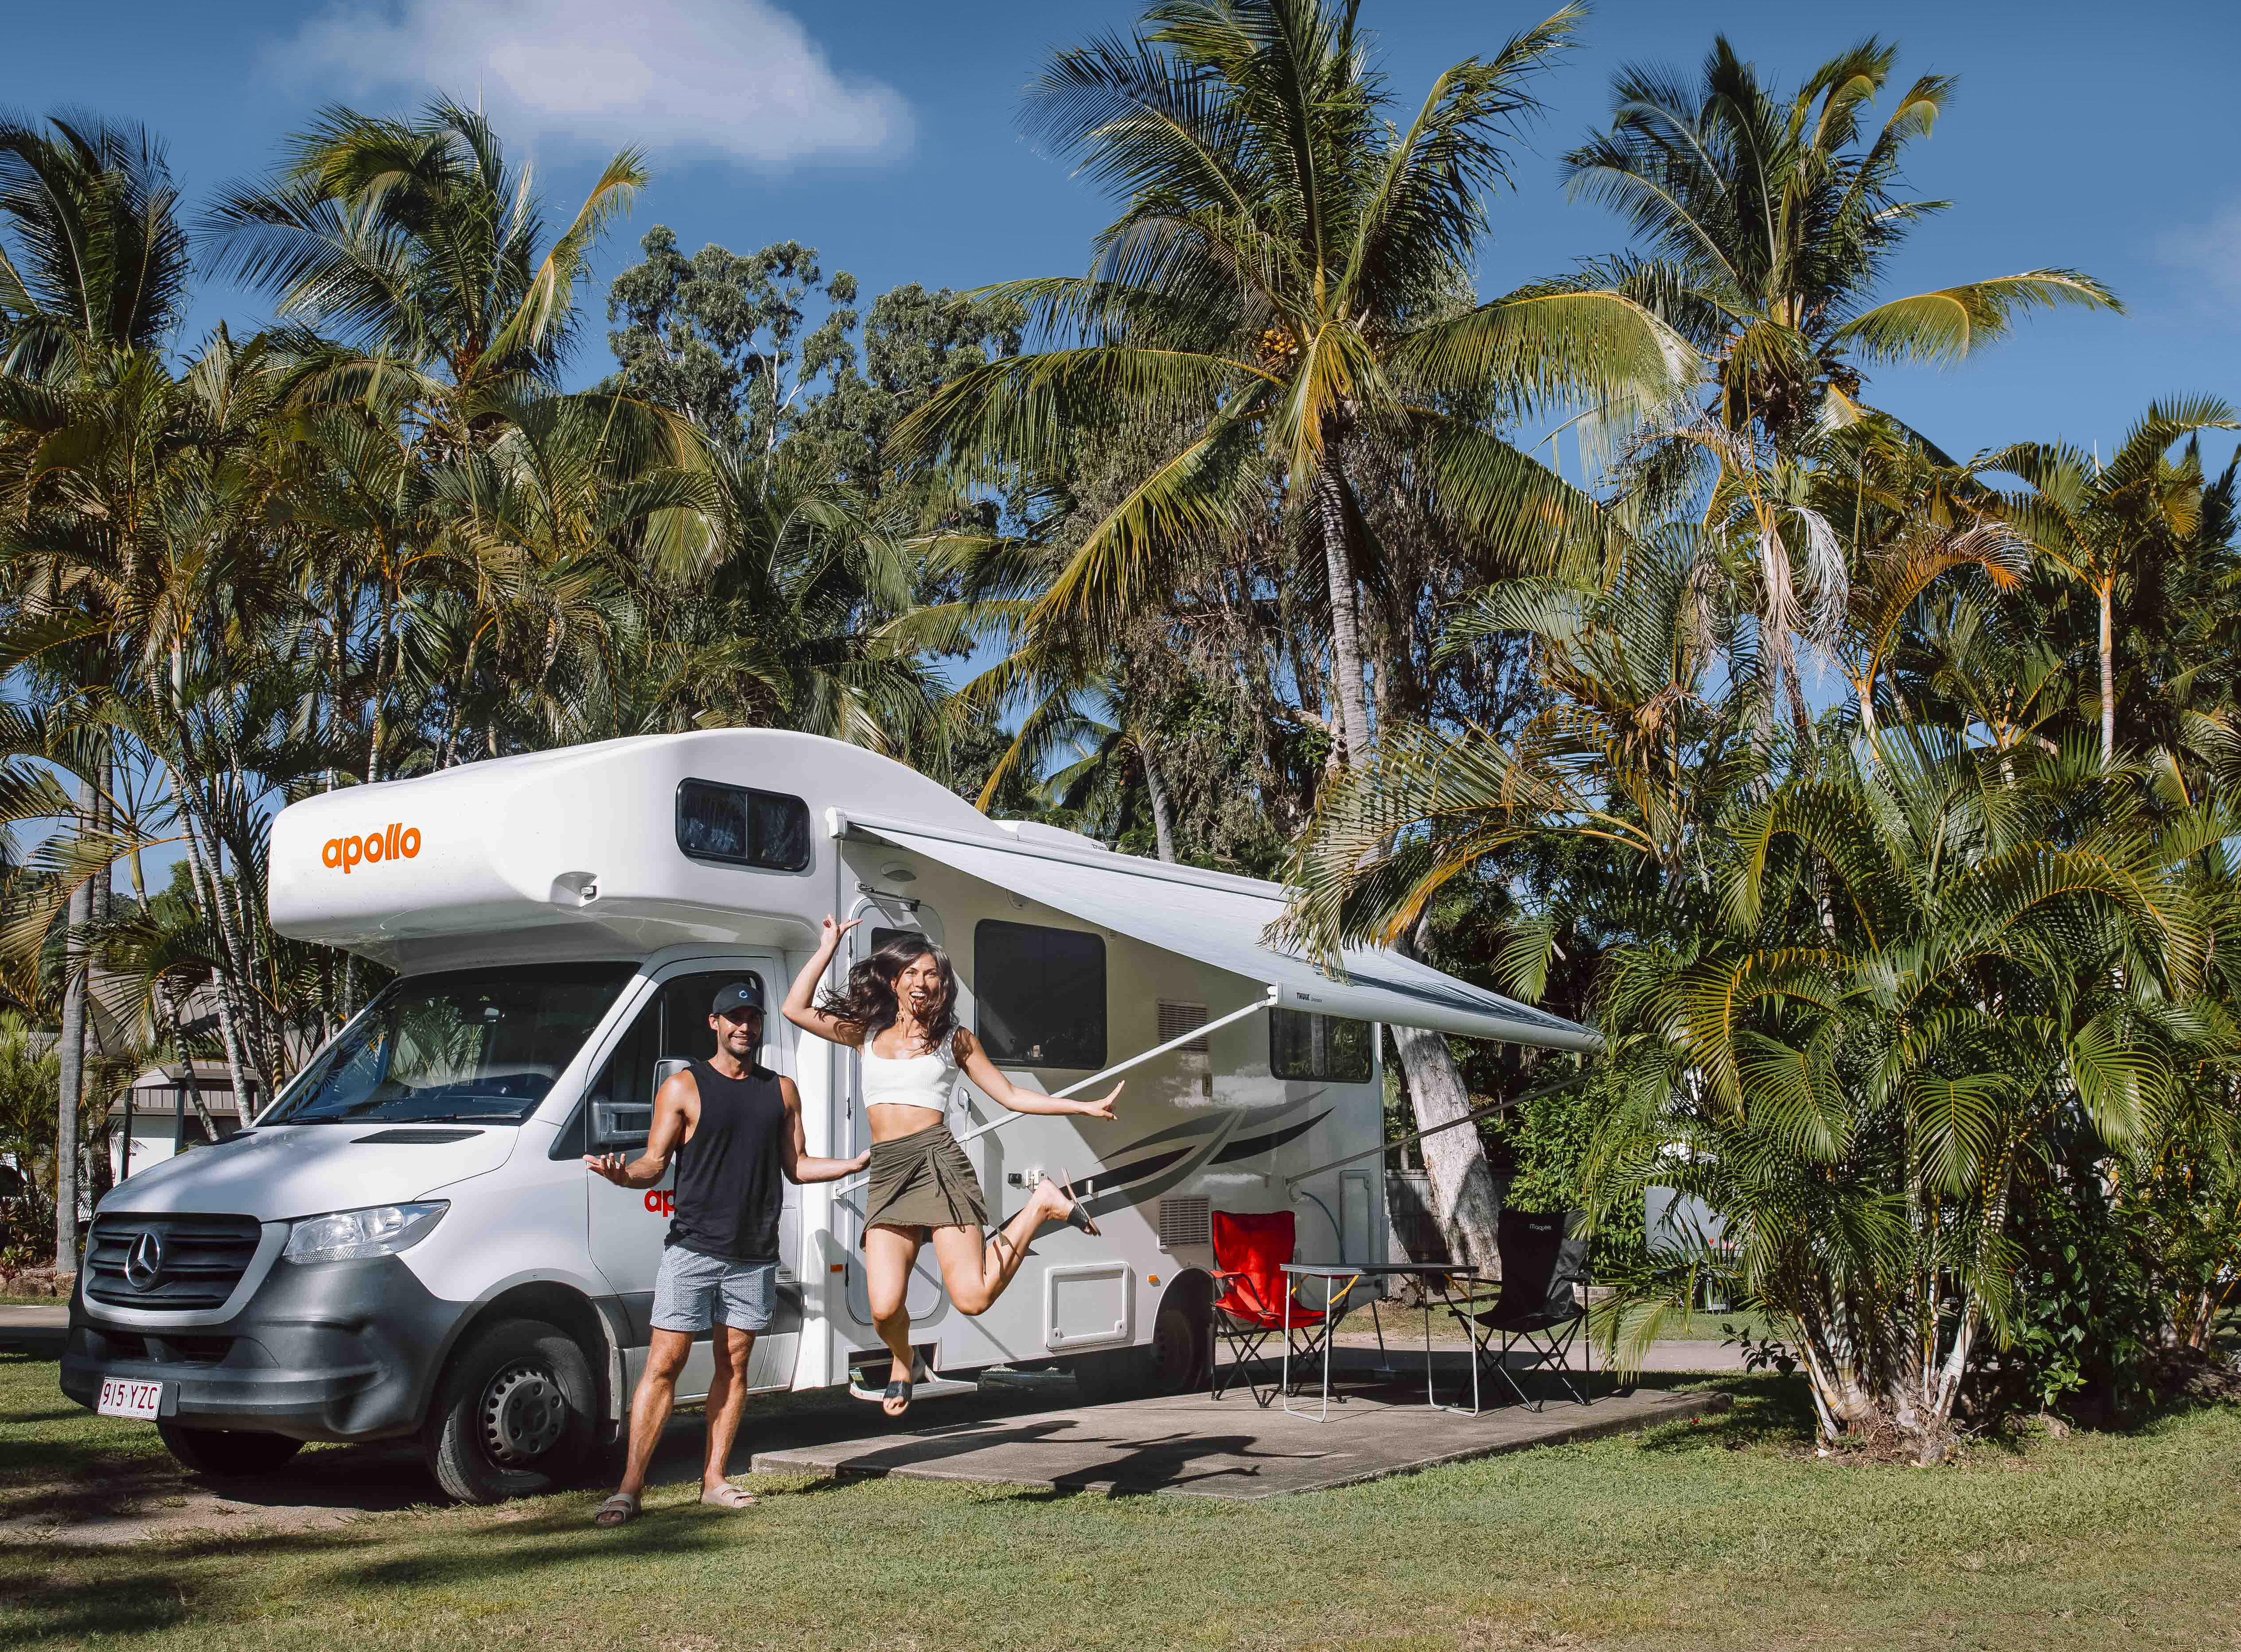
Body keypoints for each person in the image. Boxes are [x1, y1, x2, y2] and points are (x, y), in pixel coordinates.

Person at [783, 916, 1121, 1417]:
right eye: (912, 972)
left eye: (932, 974)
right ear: (894, 979)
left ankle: (1041, 1203)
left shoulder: (954, 1040)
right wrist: (828, 946)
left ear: (942, 984)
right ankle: (904, 1360)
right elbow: (795, 1008)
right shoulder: (866, 1033)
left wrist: (1080, 1106)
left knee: (972, 1297)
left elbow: (1010, 1094)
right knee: (882, 1305)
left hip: (939, 1164)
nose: (922, 982)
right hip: (890, 1172)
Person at [585, 978, 866, 1527]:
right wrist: (622, 1176)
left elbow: (798, 1164)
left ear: (761, 1025)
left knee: (734, 1366)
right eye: (733, 1017)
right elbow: (653, 1164)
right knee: (664, 1363)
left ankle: (713, 1480)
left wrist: (849, 1166)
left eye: (752, 1018)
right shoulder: (684, 1087)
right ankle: (629, 1488)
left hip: (754, 1253)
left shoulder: (781, 1089)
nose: (744, 1026)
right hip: (693, 1249)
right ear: (714, 1024)